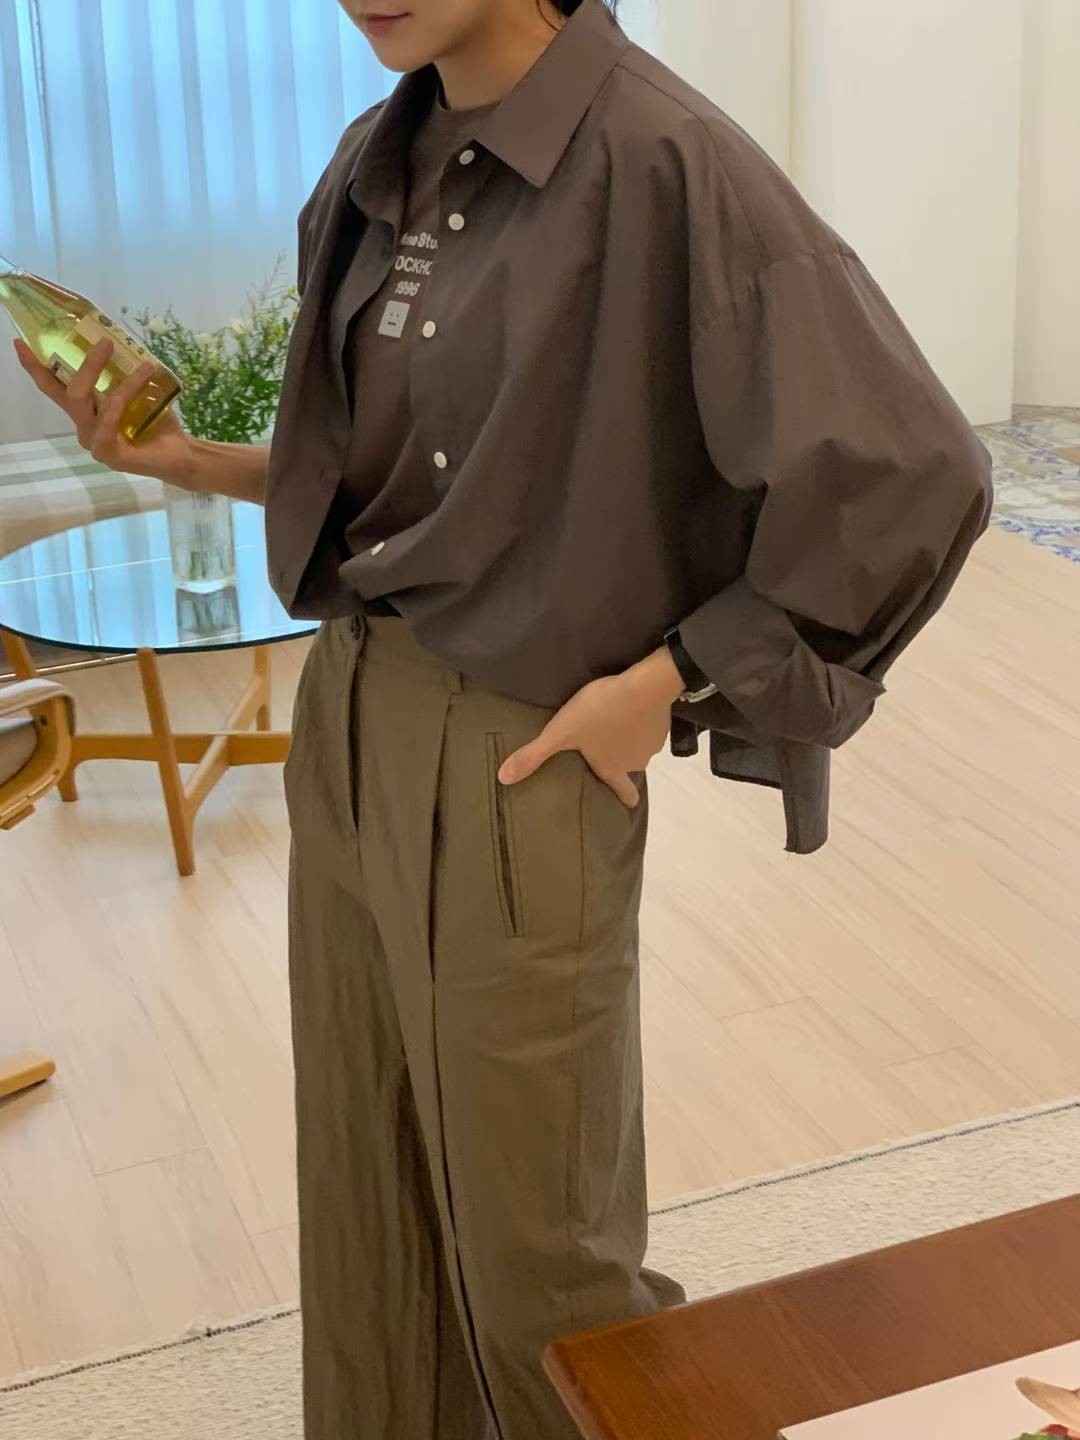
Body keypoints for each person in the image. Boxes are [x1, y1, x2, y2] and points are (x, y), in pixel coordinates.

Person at [14, 0, 994, 1435]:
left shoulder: (666, 158)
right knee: (371, 1201)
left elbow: (913, 472)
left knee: (545, 1262)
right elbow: (401, 477)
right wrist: (187, 460)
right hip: (349, 707)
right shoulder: (382, 151)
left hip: (519, 748)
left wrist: (669, 678)